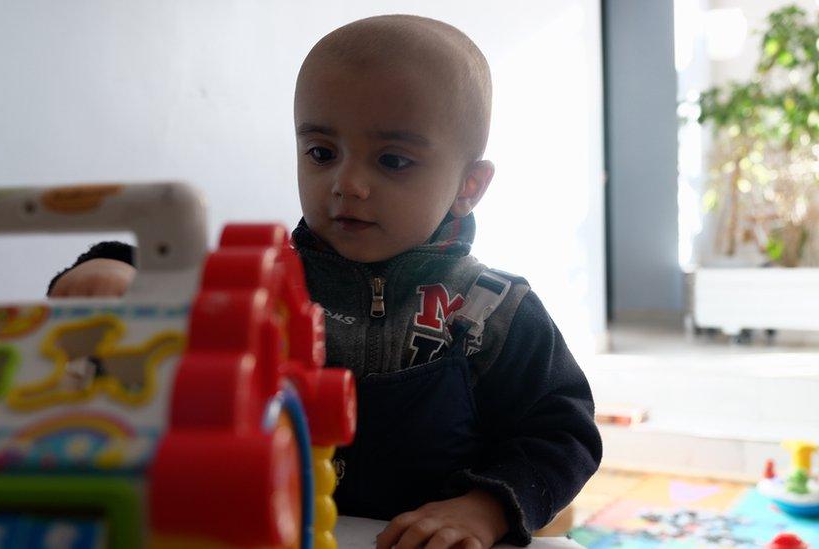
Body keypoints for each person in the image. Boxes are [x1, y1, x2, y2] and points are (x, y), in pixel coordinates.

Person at [49, 15, 602, 548]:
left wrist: (485, 508)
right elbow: (171, 270)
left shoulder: (493, 311)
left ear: (469, 185)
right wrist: (111, 267)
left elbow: (564, 433)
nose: (348, 184)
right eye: (321, 153)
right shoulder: (261, 280)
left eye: (392, 160)